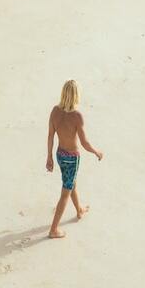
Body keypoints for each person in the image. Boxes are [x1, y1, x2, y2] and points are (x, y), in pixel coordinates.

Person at [45, 79, 103, 239]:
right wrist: (96, 151)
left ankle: (79, 209)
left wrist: (49, 157)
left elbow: (50, 135)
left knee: (71, 183)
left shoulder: (54, 111)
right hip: (72, 159)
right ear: (76, 96)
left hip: (59, 156)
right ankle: (54, 229)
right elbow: (84, 143)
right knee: (65, 192)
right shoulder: (77, 116)